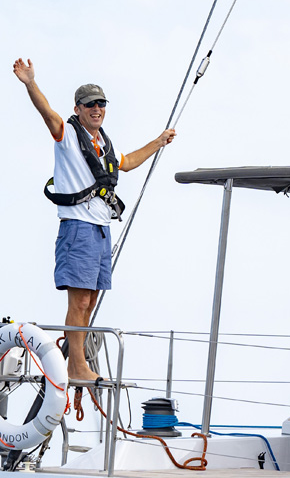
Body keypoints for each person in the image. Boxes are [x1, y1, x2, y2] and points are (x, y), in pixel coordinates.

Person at [12, 58, 176, 384]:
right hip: (78, 225)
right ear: (79, 108)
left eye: (101, 103)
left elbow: (127, 163)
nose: (97, 108)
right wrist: (30, 83)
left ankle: (78, 358)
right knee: (80, 299)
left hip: (101, 229)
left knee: (93, 298)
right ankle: (76, 364)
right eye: (90, 104)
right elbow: (48, 114)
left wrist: (158, 142)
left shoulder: (103, 144)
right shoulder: (68, 135)